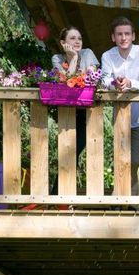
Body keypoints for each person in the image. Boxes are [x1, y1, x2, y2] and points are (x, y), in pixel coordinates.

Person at [101, 16, 139, 196]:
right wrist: (114, 83)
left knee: (136, 160)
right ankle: (123, 200)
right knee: (119, 159)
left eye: (127, 34)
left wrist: (130, 82)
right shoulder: (107, 56)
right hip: (119, 117)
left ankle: (129, 198)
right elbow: (104, 80)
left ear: (133, 36)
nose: (123, 38)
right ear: (113, 37)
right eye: (119, 34)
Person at [51, 26, 99, 194]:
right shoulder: (57, 58)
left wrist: (80, 65)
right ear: (63, 43)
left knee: (73, 152)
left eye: (79, 38)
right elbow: (65, 85)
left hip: (87, 112)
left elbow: (91, 78)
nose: (77, 41)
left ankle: (57, 193)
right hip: (66, 112)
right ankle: (59, 194)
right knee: (67, 152)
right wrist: (73, 59)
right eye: (72, 38)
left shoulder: (88, 54)